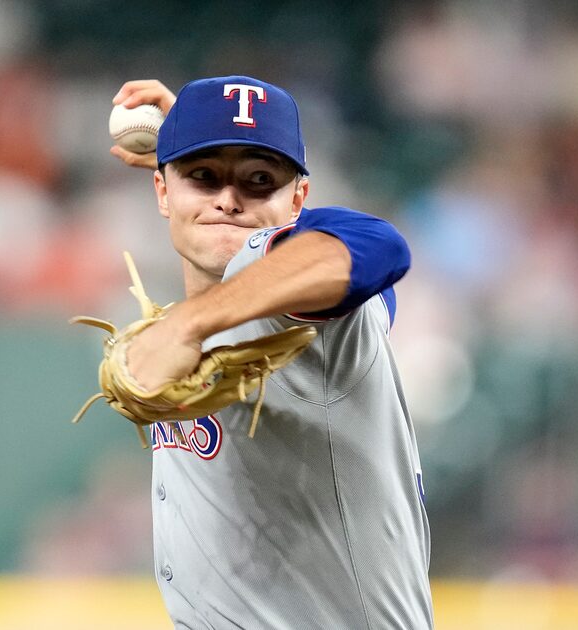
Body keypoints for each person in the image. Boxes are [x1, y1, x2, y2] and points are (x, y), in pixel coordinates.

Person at [110, 75, 433, 628]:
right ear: (162, 190)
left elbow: (380, 245)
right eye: (203, 176)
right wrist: (192, 131)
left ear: (299, 199)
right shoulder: (324, 307)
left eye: (260, 180)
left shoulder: (275, 282)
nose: (228, 199)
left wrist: (189, 324)